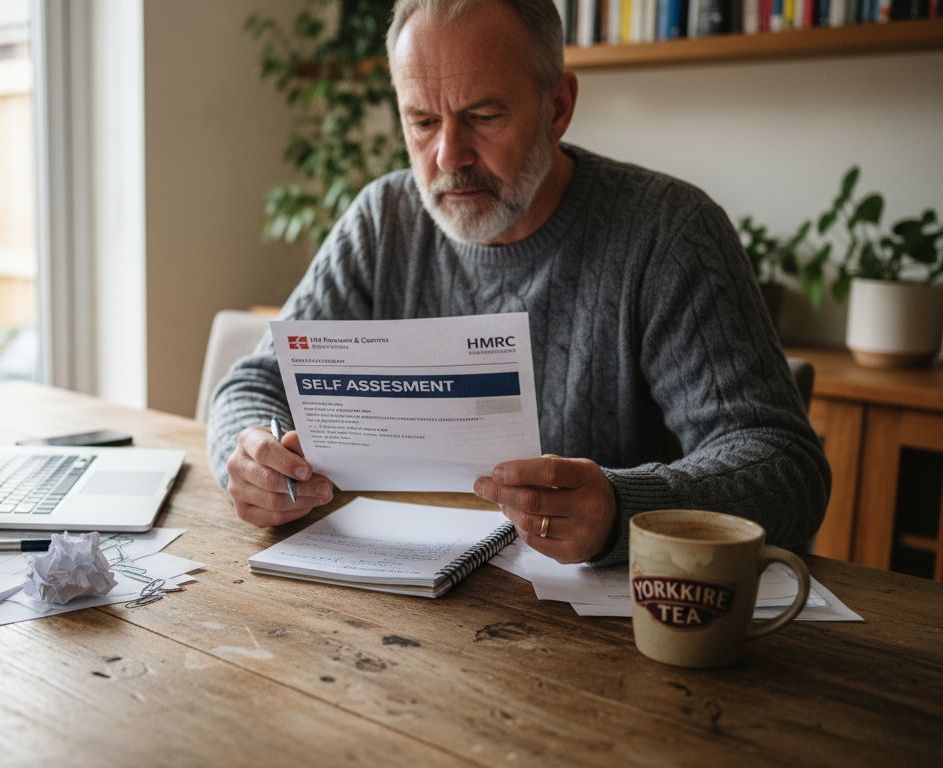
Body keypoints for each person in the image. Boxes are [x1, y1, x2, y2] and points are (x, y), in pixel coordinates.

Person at [206, 0, 830, 565]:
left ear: (557, 106)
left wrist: (621, 507)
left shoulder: (668, 233)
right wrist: (254, 455)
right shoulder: (383, 220)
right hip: (402, 604)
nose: (449, 156)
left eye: (482, 115)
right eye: (422, 122)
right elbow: (255, 381)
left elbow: (783, 465)